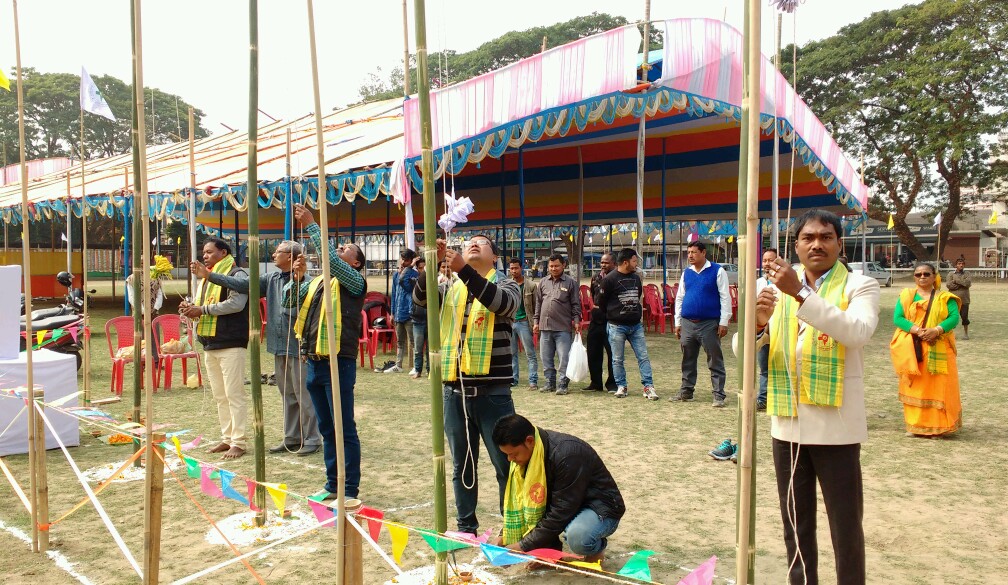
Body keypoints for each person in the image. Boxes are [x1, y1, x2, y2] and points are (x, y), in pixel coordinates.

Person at [756, 209, 880, 585]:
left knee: (845, 526)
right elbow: (747, 355)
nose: (817, 244)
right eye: (808, 237)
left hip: (836, 429)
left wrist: (800, 291)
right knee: (795, 522)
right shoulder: (774, 286)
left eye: (826, 237)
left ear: (840, 244)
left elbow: (857, 332)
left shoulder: (860, 285)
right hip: (787, 423)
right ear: (796, 244)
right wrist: (758, 325)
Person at [413, 235, 520, 536]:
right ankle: (465, 527)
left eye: (482, 242)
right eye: (469, 241)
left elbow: (501, 304)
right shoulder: (451, 288)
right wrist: (432, 261)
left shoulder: (507, 285)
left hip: (494, 395)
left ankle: (510, 528)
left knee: (505, 463)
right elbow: (420, 299)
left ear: (495, 258)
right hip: (454, 391)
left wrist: (463, 270)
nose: (474, 244)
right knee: (462, 466)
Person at [192, 240, 322, 456]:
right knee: (287, 393)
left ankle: (312, 438)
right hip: (279, 345)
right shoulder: (271, 279)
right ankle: (292, 437)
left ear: (290, 256)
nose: (273, 255)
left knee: (304, 395)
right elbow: (243, 285)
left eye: (278, 252)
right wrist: (211, 276)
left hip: (299, 346)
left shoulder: (307, 281)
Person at [285, 204, 367, 502]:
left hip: (338, 362)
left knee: (343, 426)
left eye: (346, 248)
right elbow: (287, 302)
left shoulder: (355, 283)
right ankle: (333, 483)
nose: (340, 249)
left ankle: (349, 488)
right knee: (326, 428)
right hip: (314, 362)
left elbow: (330, 258)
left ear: (356, 264)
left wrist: (312, 224)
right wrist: (295, 278)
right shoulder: (320, 283)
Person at [492, 414, 624, 561]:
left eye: (513, 454)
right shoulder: (531, 453)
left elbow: (561, 511)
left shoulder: (567, 454)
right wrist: (505, 534)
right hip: (568, 503)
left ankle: (596, 548)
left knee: (578, 538)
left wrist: (524, 545)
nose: (510, 460)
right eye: (507, 455)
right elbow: (531, 502)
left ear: (529, 441)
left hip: (600, 507)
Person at [181, 237, 250, 460]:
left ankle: (239, 441)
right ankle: (227, 437)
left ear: (223, 252)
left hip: (231, 342)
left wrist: (203, 310)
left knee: (234, 394)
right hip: (210, 342)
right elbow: (203, 304)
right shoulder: (205, 279)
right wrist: (191, 307)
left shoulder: (237, 274)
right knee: (220, 395)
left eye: (210, 252)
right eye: (204, 252)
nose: (205, 256)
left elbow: (236, 304)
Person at [889, 261, 962, 437]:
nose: (922, 277)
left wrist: (936, 330)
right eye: (918, 274)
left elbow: (954, 317)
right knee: (915, 386)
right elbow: (898, 318)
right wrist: (919, 331)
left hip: (939, 347)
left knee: (940, 386)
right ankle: (915, 425)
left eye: (926, 274)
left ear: (934, 276)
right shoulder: (907, 296)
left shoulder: (944, 297)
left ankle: (940, 426)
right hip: (914, 348)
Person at [673, 241, 731, 407]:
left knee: (714, 359)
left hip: (709, 323)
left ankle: (718, 395)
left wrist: (723, 322)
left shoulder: (717, 271)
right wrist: (678, 322)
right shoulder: (687, 273)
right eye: (688, 252)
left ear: (703, 253)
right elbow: (680, 297)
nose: (690, 255)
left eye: (693, 252)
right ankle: (686, 391)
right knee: (687, 359)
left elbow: (725, 297)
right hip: (688, 323)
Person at [596, 248, 657, 400]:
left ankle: (648, 387)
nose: (636, 264)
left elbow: (638, 295)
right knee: (617, 358)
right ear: (625, 262)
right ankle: (621, 386)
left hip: (636, 326)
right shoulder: (609, 280)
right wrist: (614, 314)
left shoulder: (636, 278)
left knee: (643, 356)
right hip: (616, 326)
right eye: (634, 261)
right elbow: (601, 303)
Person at [534, 254, 581, 395]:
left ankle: (563, 384)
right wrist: (536, 322)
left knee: (563, 357)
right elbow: (538, 304)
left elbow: (575, 305)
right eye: (551, 266)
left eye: (556, 266)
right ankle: (549, 382)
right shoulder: (542, 282)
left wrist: (577, 321)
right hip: (545, 327)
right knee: (546, 357)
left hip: (562, 328)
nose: (553, 268)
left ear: (563, 266)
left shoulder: (570, 283)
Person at [584, 253, 616, 392]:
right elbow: (593, 295)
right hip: (596, 318)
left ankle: (612, 384)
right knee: (593, 352)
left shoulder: (617, 278)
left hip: (611, 318)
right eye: (602, 262)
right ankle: (596, 383)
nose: (603, 265)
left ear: (614, 263)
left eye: (606, 262)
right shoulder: (596, 278)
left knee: (613, 353)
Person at [508, 258, 539, 391]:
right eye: (511, 268)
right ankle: (514, 379)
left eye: (516, 268)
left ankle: (533, 381)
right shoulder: (507, 285)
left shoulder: (531, 286)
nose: (513, 271)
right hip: (511, 322)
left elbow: (536, 306)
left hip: (524, 322)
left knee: (530, 353)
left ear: (521, 268)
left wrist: (535, 322)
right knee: (512, 353)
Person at [754, 248, 779, 411]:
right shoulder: (759, 283)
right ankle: (762, 399)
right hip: (763, 330)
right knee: (763, 367)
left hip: (780, 329)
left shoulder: (784, 283)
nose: (767, 263)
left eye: (770, 260)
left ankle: (778, 398)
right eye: (764, 260)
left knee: (780, 366)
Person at [389, 248, 419, 374]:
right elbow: (394, 294)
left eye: (406, 261)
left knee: (413, 341)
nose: (402, 262)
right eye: (402, 259)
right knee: (400, 341)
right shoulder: (396, 275)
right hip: (398, 312)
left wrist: (407, 269)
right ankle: (398, 364)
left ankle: (416, 366)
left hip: (409, 312)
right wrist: (392, 312)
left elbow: (405, 285)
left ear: (411, 261)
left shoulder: (414, 275)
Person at [409, 256, 429, 379]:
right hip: (417, 319)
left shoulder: (436, 280)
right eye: (420, 268)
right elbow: (402, 280)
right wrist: (410, 265)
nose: (422, 270)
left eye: (425, 268)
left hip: (432, 320)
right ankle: (418, 369)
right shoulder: (414, 281)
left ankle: (430, 370)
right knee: (418, 347)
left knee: (431, 349)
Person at [945, 258, 971, 339]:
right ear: (956, 265)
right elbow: (949, 285)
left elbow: (967, 283)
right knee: (952, 316)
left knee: (964, 317)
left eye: (962, 264)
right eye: (959, 264)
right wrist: (961, 283)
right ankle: (951, 334)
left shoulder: (967, 274)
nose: (961, 265)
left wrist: (956, 281)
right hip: (953, 299)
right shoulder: (951, 274)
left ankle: (966, 334)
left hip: (964, 299)